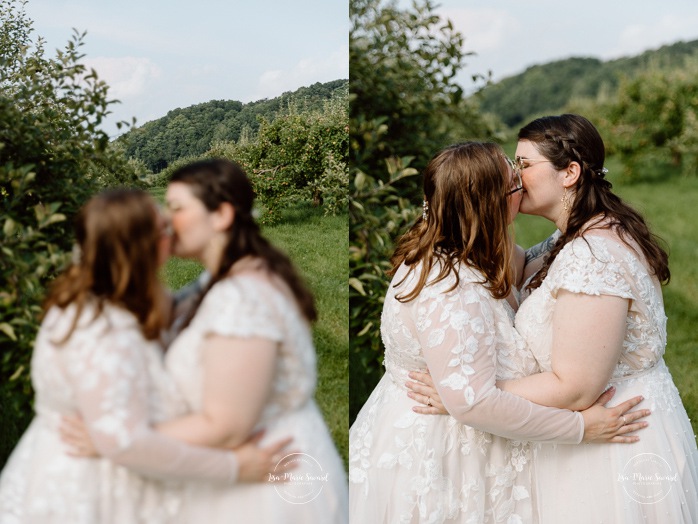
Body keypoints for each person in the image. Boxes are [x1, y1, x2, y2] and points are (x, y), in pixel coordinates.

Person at [409, 115, 698, 522]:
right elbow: (519, 268)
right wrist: (469, 207)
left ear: (570, 173)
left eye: (523, 165)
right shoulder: (572, 237)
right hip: (593, 432)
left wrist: (468, 397)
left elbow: (577, 388)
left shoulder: (593, 257)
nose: (515, 176)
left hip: (613, 434)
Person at [348, 141, 649, 523]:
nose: (522, 187)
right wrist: (579, 428)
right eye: (513, 185)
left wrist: (587, 221)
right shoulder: (450, 288)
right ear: (488, 205)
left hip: (473, 438)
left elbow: (532, 261)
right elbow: (472, 403)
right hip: (440, 456)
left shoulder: (473, 247)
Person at [0, 189, 293, 524]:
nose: (173, 232)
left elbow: (180, 306)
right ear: (142, 248)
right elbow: (125, 444)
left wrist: (232, 257)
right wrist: (235, 468)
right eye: (164, 230)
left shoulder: (106, 294)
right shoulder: (101, 333)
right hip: (88, 492)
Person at [145, 158, 347, 522]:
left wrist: (118, 440)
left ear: (221, 215)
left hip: (267, 484)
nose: (164, 222)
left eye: (175, 209)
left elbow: (227, 424)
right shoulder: (231, 277)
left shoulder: (241, 298)